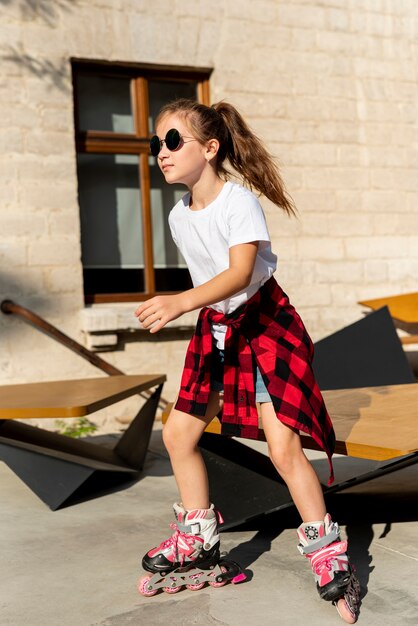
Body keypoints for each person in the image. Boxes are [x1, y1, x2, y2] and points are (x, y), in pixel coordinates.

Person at [134, 99, 360, 621]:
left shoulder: (239, 202)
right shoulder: (177, 216)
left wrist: (179, 302)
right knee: (177, 435)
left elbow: (239, 274)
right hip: (217, 330)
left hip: (266, 328)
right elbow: (213, 287)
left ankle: (329, 559)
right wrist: (194, 307)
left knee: (283, 449)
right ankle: (198, 539)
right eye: (156, 145)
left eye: (173, 142)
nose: (161, 154)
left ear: (210, 149)